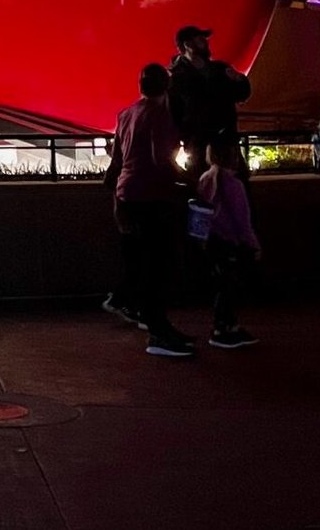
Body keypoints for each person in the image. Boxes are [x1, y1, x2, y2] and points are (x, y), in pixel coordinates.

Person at [104, 61, 196, 358]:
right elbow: (161, 159)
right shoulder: (159, 115)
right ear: (166, 87)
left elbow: (115, 162)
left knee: (142, 263)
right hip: (152, 195)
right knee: (161, 264)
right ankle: (159, 332)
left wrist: (117, 198)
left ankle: (157, 326)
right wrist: (188, 180)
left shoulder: (126, 114)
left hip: (128, 194)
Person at [195, 132, 260, 349]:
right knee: (230, 286)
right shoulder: (234, 184)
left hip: (212, 241)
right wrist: (252, 243)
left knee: (222, 285)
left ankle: (227, 325)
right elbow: (242, 219)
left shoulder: (205, 179)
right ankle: (222, 327)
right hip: (231, 242)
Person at [168, 26, 251, 179]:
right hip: (198, 144)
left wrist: (239, 80)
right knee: (205, 186)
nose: (206, 43)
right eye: (200, 39)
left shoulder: (220, 70)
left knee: (234, 185)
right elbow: (174, 113)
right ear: (187, 45)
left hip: (224, 141)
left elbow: (242, 94)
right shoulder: (177, 79)